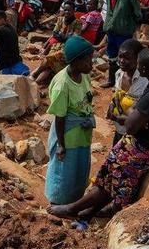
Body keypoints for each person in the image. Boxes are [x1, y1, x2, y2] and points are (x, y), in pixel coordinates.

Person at [47, 48, 149, 220]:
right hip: (141, 141)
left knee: (115, 178)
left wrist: (130, 113)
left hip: (142, 147)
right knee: (108, 176)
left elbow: (131, 127)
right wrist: (134, 114)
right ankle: (89, 211)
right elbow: (136, 116)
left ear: (144, 70)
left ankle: (72, 209)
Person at [45, 36, 95, 206]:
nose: (92, 64)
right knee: (64, 171)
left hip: (82, 133)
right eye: (88, 60)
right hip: (67, 134)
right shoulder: (62, 84)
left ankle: (75, 201)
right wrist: (61, 144)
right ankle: (57, 202)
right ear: (76, 61)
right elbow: (60, 116)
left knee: (79, 169)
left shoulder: (83, 75)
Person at [102, 0, 141, 88]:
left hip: (123, 31)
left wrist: (130, 25)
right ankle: (111, 80)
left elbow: (137, 13)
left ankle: (122, 84)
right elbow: (109, 10)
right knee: (112, 57)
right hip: (111, 29)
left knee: (124, 58)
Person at [107, 39, 148, 145]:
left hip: (138, 135)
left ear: (138, 58)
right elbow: (117, 95)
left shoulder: (145, 80)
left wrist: (125, 119)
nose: (121, 60)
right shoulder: (118, 74)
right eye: (120, 56)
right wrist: (112, 105)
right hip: (119, 131)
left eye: (127, 58)